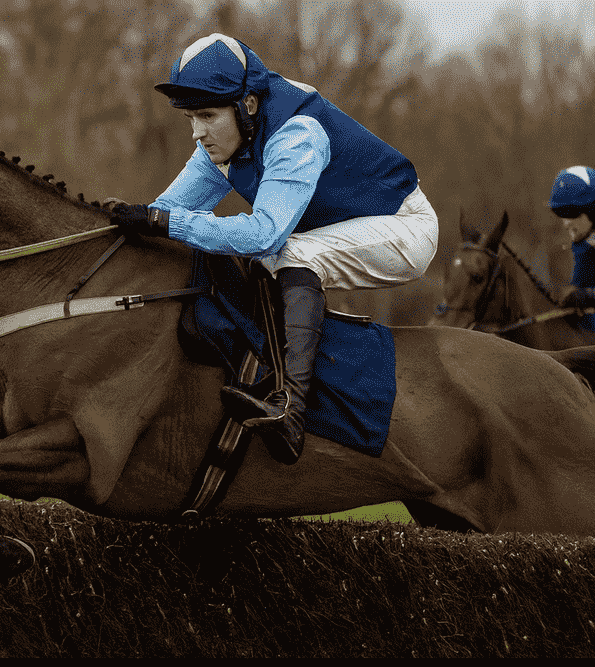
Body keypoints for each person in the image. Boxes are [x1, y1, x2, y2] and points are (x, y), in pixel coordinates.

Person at [109, 33, 438, 464]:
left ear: (246, 105)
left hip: (405, 228)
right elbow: (166, 212)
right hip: (340, 227)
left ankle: (291, 411)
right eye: (190, 118)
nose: (197, 133)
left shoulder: (295, 135)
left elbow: (264, 233)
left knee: (287, 253)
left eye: (207, 116)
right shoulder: (228, 138)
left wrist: (164, 222)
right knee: (262, 257)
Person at [550, 166, 595, 329]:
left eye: (572, 212)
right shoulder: (583, 245)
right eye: (561, 213)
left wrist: (589, 295)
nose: (566, 222)